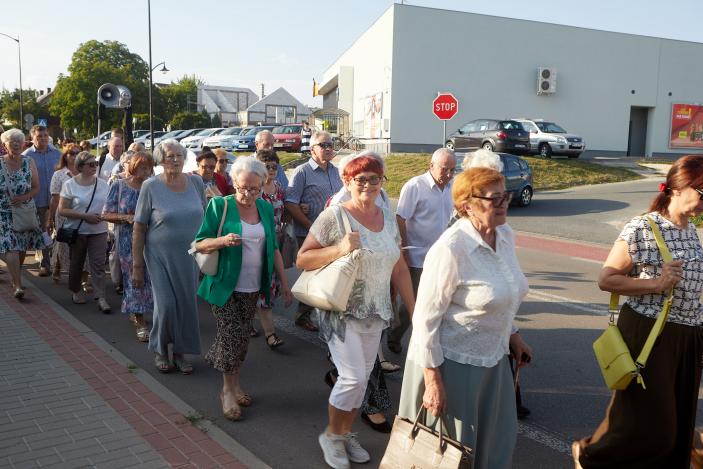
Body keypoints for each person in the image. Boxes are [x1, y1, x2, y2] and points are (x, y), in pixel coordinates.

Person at [397, 166, 532, 469]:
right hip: (454, 368)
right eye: (494, 198)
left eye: (505, 196)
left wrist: (513, 334)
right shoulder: (451, 248)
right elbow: (425, 320)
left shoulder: (505, 235)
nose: (504, 204)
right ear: (466, 205)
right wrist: (432, 381)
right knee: (452, 452)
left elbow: (507, 289)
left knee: (495, 442)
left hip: (493, 361)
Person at [573, 155, 703, 469]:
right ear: (678, 187)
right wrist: (658, 283)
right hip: (650, 334)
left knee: (680, 428)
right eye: (702, 191)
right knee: (654, 430)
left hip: (689, 337)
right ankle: (590, 456)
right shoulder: (643, 227)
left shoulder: (690, 229)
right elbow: (607, 279)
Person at [297, 155, 415, 469]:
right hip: (341, 311)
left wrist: (413, 310)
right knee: (351, 377)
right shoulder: (335, 216)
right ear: (347, 183)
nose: (366, 184)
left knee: (361, 381)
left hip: (376, 310)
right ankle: (332, 436)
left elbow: (400, 267)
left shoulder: (388, 218)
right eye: (359, 179)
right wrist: (339, 248)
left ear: (382, 183)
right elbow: (302, 259)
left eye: (373, 178)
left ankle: (345, 432)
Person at [194, 157, 293, 421]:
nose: (248, 194)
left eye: (254, 189)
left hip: (253, 286)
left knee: (240, 340)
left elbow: (273, 247)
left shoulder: (265, 208)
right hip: (224, 285)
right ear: (234, 183)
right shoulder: (220, 205)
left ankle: (235, 383)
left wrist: (284, 283)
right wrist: (222, 241)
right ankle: (227, 390)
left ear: (263, 184)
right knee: (233, 334)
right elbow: (199, 244)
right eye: (242, 188)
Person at [133, 139, 206, 374]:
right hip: (159, 255)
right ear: (160, 160)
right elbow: (139, 227)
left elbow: (206, 219)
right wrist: (136, 265)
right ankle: (161, 349)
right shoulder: (151, 186)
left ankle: (181, 352)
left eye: (178, 156)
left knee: (186, 305)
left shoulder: (196, 182)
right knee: (166, 304)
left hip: (190, 256)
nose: (175, 160)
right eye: (169, 156)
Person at [389, 147, 456, 354]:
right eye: (444, 169)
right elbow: (400, 218)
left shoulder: (451, 186)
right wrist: (404, 250)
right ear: (431, 166)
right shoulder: (415, 186)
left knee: (442, 300)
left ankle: (433, 342)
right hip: (417, 256)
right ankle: (396, 336)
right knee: (415, 301)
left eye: (452, 170)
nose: (448, 175)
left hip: (442, 256)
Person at [285, 130, 343, 332]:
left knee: (331, 275)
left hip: (334, 233)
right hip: (308, 234)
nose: (328, 148)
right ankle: (303, 315)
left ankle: (322, 312)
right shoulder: (302, 172)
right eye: (323, 145)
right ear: (312, 149)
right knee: (313, 275)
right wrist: (312, 226)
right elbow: (291, 203)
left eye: (330, 144)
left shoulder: (335, 171)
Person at [101, 152, 155, 343]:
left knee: (152, 279)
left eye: (149, 167)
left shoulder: (154, 186)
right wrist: (126, 218)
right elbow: (105, 214)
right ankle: (140, 321)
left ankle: (146, 313)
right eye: (142, 167)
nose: (146, 171)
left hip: (154, 239)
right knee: (135, 280)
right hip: (127, 240)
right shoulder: (119, 186)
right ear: (132, 166)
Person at [58, 151, 111, 312]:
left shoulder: (103, 184)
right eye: (90, 164)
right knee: (77, 262)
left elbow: (109, 206)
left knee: (98, 264)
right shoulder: (70, 185)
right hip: (78, 230)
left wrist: (105, 216)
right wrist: (84, 216)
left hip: (99, 230)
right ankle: (76, 290)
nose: (94, 166)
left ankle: (100, 297)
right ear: (80, 167)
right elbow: (62, 210)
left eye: (96, 163)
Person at [0, 129, 46, 299]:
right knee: (11, 247)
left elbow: (36, 187)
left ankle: (15, 276)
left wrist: (23, 197)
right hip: (3, 213)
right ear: (5, 145)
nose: (16, 144)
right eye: (12, 141)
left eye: (19, 141)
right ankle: (18, 285)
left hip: (24, 211)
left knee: (21, 249)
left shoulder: (29, 162)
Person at [253, 149, 287, 347]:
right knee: (253, 286)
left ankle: (269, 333)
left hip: (275, 242)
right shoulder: (254, 189)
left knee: (267, 286)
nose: (272, 170)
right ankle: (266, 331)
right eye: (268, 166)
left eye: (275, 166)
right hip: (256, 244)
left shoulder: (279, 187)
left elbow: (284, 212)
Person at [23, 124, 61, 277]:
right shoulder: (27, 156)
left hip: (56, 200)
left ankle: (58, 262)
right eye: (39, 136)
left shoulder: (57, 154)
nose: (43, 139)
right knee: (42, 232)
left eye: (45, 136)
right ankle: (45, 264)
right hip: (37, 200)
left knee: (59, 230)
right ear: (32, 139)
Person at [49, 143, 82, 283]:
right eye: (71, 153)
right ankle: (57, 266)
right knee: (62, 242)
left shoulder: (86, 171)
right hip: (63, 214)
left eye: (77, 153)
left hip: (82, 214)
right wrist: (50, 219)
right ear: (65, 156)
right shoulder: (59, 174)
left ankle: (82, 277)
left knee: (81, 244)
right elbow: (55, 198)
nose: (74, 156)